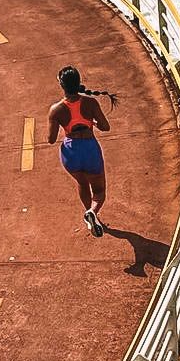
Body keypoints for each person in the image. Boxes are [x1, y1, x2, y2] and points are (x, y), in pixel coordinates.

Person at [47, 65, 118, 237]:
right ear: (79, 82)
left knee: (82, 183)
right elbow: (105, 127)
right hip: (89, 149)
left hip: (70, 153)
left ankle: (89, 214)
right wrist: (92, 122)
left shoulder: (55, 109)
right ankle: (92, 212)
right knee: (99, 191)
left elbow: (50, 139)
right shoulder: (90, 103)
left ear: (62, 85)